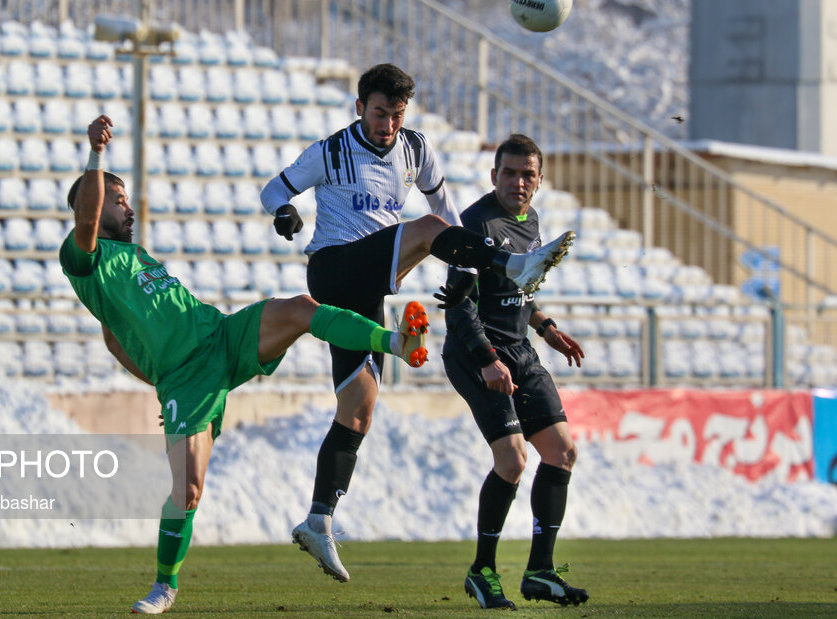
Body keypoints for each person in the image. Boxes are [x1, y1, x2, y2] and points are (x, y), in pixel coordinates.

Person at [60, 115, 432, 614]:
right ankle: (164, 586)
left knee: (301, 309)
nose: (128, 208)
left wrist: (150, 370)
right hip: (186, 380)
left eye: (125, 199)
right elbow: (90, 240)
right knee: (188, 491)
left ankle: (396, 342)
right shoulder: (83, 257)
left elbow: (114, 337)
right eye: (118, 200)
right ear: (96, 203)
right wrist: (96, 156)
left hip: (222, 336)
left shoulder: (136, 256)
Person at [259, 63, 575, 582]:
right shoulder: (331, 150)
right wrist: (283, 213)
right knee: (426, 229)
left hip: (369, 289)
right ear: (360, 107)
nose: (388, 124)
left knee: (358, 409)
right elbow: (274, 189)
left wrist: (462, 264)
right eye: (380, 113)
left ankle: (318, 520)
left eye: (397, 115)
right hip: (335, 269)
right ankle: (514, 265)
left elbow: (447, 212)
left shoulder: (416, 149)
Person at [441, 133, 589, 609]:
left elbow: (520, 290)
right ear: (494, 176)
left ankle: (540, 572)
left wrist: (547, 328)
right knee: (512, 460)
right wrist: (488, 361)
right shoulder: (476, 223)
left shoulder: (532, 222)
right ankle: (482, 570)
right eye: (510, 173)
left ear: (540, 180)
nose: (518, 182)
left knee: (562, 452)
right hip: (475, 352)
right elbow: (458, 306)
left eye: (528, 174)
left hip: (521, 348)